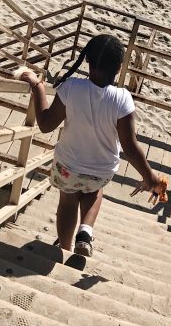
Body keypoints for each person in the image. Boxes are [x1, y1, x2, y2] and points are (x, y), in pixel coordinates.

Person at [18, 34, 163, 257]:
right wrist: (150, 177)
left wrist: (37, 87)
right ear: (118, 68)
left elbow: (46, 125)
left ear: (88, 61)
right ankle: (85, 232)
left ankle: (64, 250)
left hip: (68, 167)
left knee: (67, 202)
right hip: (101, 171)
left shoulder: (71, 87)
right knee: (93, 193)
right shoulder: (122, 99)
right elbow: (130, 146)